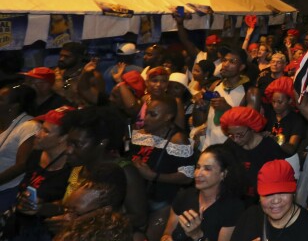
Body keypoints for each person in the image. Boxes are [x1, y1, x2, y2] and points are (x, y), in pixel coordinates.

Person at [61, 105, 149, 236]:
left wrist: (84, 223)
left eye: (77, 144)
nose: (68, 150)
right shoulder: (79, 166)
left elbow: (139, 218)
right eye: (68, 143)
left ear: (102, 143)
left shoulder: (124, 171)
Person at [130, 95, 195, 240]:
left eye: (153, 114)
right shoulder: (141, 134)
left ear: (167, 117)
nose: (146, 118)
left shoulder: (178, 140)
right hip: (140, 198)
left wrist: (154, 176)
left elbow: (188, 177)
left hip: (163, 202)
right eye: (147, 112)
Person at [12, 105, 74, 241]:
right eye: (41, 128)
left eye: (45, 131)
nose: (37, 134)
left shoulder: (72, 168)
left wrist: (43, 208)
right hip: (21, 227)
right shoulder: (36, 154)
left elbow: (71, 208)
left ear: (63, 138)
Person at [162, 144, 245, 241]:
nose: (198, 173)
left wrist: (197, 235)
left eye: (207, 169)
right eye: (198, 167)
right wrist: (166, 238)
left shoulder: (233, 208)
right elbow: (167, 233)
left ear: (223, 174)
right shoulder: (185, 196)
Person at [231, 160, 308, 241]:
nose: (276, 200)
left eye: (282, 192)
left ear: (293, 192)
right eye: (268, 194)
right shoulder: (250, 217)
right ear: (259, 196)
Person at [219, 106, 287, 201]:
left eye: (240, 135)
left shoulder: (270, 148)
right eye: (232, 135)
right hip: (237, 199)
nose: (236, 139)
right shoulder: (230, 145)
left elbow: (280, 179)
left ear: (252, 128)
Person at [0, 85, 40, 211]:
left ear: (14, 106)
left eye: (1, 99)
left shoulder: (29, 126)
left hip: (8, 190)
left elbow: (23, 164)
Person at [264, 77, 307, 157]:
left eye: (280, 102)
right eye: (273, 101)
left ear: (290, 101)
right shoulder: (270, 114)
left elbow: (291, 149)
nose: (275, 106)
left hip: (285, 160)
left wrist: (276, 140)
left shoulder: (297, 121)